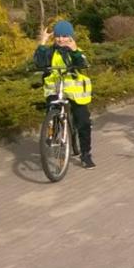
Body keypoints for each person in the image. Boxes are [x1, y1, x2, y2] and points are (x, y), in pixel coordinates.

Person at [34, 20, 95, 169]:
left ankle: (86, 155)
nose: (61, 39)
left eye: (65, 36)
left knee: (83, 122)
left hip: (75, 92)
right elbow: (39, 63)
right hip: (55, 89)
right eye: (58, 36)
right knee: (52, 113)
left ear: (70, 36)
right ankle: (52, 133)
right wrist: (42, 43)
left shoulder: (75, 50)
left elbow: (82, 63)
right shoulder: (50, 51)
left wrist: (75, 51)